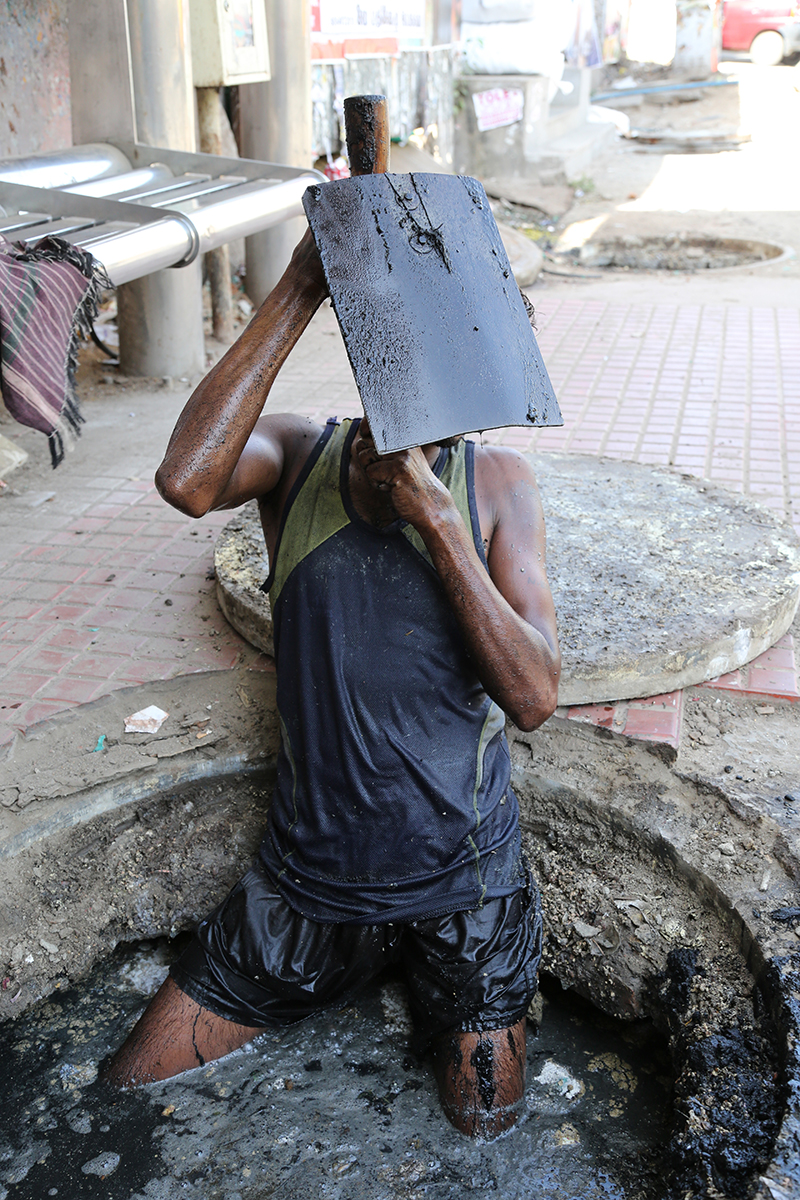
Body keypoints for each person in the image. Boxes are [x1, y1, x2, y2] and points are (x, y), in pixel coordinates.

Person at [101, 230, 561, 1139]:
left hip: (466, 888)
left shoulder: (497, 483)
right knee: (125, 1089)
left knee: (485, 1135)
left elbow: (535, 693)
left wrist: (437, 521)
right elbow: (186, 482)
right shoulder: (301, 455)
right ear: (384, 359)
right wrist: (302, 286)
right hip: (305, 886)